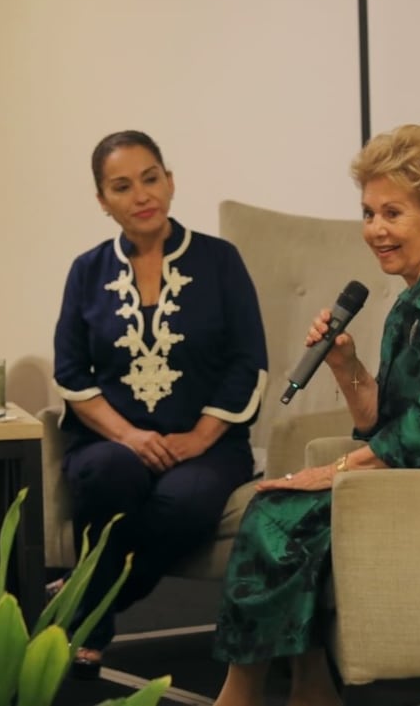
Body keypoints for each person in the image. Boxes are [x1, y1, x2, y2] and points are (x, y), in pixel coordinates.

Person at [210, 124, 420, 706]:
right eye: (368, 213)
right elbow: (385, 423)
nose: (375, 230)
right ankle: (308, 686)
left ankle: (247, 694)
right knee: (281, 510)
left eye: (392, 213)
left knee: (277, 514)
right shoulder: (414, 299)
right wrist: (345, 364)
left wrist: (332, 473)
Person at [52, 129, 267, 678]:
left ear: (170, 182)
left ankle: (84, 603)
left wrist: (198, 437)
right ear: (103, 201)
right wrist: (129, 436)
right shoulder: (87, 271)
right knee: (107, 475)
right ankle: (90, 623)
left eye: (150, 178)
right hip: (111, 440)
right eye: (122, 186)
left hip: (208, 446)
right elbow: (71, 374)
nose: (141, 195)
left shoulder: (220, 261)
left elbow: (248, 363)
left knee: (186, 502)